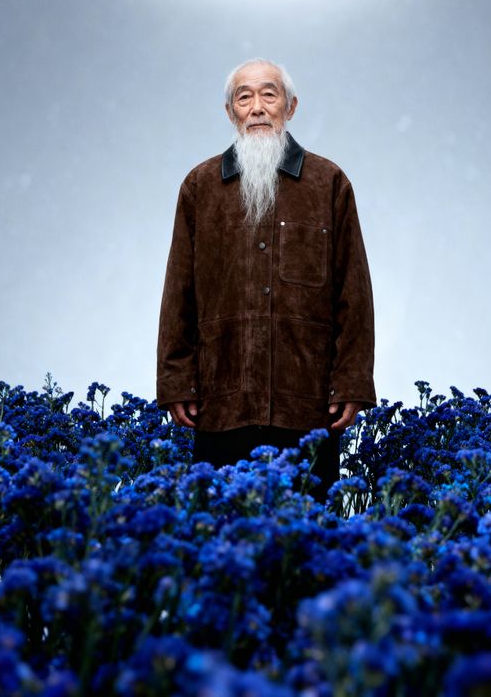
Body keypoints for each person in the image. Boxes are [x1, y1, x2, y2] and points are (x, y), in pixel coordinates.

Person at [156, 59, 375, 499]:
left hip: (307, 403)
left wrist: (352, 381)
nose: (257, 107)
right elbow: (179, 292)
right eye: (244, 97)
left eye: (269, 94)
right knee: (222, 528)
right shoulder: (200, 187)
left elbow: (354, 293)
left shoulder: (328, 183)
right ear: (230, 112)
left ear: (290, 107)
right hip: (221, 402)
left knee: (308, 530)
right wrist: (176, 381)